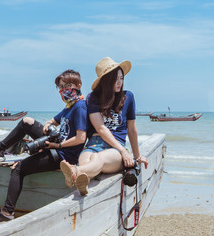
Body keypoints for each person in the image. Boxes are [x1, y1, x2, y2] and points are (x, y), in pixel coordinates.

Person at [0, 69, 88, 223]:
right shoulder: (69, 106)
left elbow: (81, 138)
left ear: (78, 85)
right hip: (55, 144)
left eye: (67, 86)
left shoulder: (80, 106)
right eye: (61, 87)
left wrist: (58, 145)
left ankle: (7, 212)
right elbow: (54, 120)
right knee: (26, 122)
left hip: (62, 155)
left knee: (18, 169)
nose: (63, 90)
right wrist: (48, 124)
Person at [60, 57, 149, 195]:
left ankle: (75, 172)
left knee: (96, 159)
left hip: (115, 147)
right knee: (85, 161)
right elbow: (100, 128)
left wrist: (135, 155)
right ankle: (82, 185)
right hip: (93, 144)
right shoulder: (93, 98)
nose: (120, 82)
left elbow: (132, 130)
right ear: (107, 80)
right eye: (116, 79)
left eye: (122, 78)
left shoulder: (128, 97)